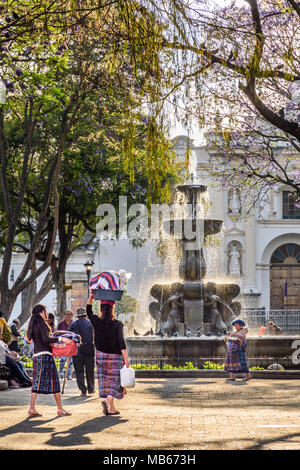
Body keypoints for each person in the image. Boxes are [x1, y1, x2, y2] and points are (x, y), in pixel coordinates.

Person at [86, 295, 129, 415]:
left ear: (101, 309)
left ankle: (112, 409)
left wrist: (91, 297)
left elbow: (88, 311)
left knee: (105, 380)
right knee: (115, 381)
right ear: (112, 310)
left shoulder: (97, 322)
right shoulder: (118, 324)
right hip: (115, 357)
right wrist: (126, 360)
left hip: (100, 356)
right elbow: (121, 342)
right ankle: (107, 401)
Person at [26, 304, 72, 417]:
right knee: (54, 381)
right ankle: (59, 409)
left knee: (37, 382)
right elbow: (46, 339)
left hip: (37, 356)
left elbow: (39, 340)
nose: (47, 313)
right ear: (41, 313)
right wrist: (62, 339)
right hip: (45, 357)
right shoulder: (42, 325)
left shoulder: (34, 325)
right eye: (45, 311)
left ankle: (33, 408)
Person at [68, 307, 95, 397]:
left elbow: (68, 335)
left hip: (77, 350)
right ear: (85, 315)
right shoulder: (90, 323)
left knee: (79, 371)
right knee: (89, 370)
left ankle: (83, 390)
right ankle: (91, 389)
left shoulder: (73, 324)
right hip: (89, 349)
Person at [57, 310, 74, 380]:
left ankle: (69, 375)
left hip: (71, 344)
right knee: (62, 360)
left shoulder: (74, 323)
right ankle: (61, 372)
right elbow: (57, 333)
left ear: (72, 316)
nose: (68, 316)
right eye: (67, 314)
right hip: (63, 344)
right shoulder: (60, 324)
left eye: (70, 314)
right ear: (64, 315)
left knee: (70, 361)